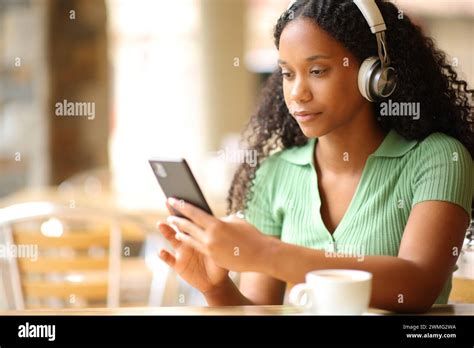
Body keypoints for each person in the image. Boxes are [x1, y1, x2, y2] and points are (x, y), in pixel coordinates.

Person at [157, 0, 473, 313]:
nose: (297, 93)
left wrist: (264, 253)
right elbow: (258, 310)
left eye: (317, 71)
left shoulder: (439, 159)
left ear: (375, 74)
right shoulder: (275, 173)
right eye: (287, 74)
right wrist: (215, 287)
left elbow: (416, 284)